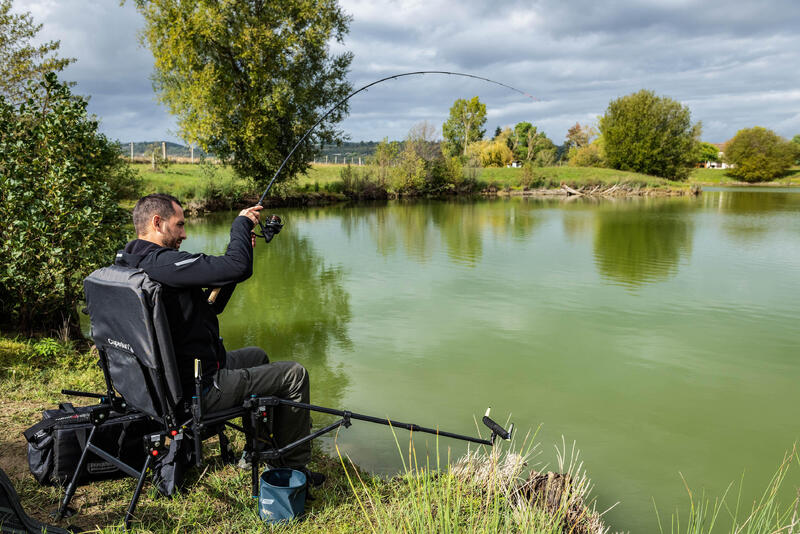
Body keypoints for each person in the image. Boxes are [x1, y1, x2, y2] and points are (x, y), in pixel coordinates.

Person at [115, 193, 322, 483]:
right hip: (195, 392)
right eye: (180, 225)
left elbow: (210, 304)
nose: (185, 234)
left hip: (160, 385)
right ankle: (293, 468)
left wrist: (238, 256)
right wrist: (240, 226)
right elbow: (237, 266)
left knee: (258, 356)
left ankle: (258, 451)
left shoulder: (131, 262)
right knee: (294, 375)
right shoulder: (162, 265)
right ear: (157, 223)